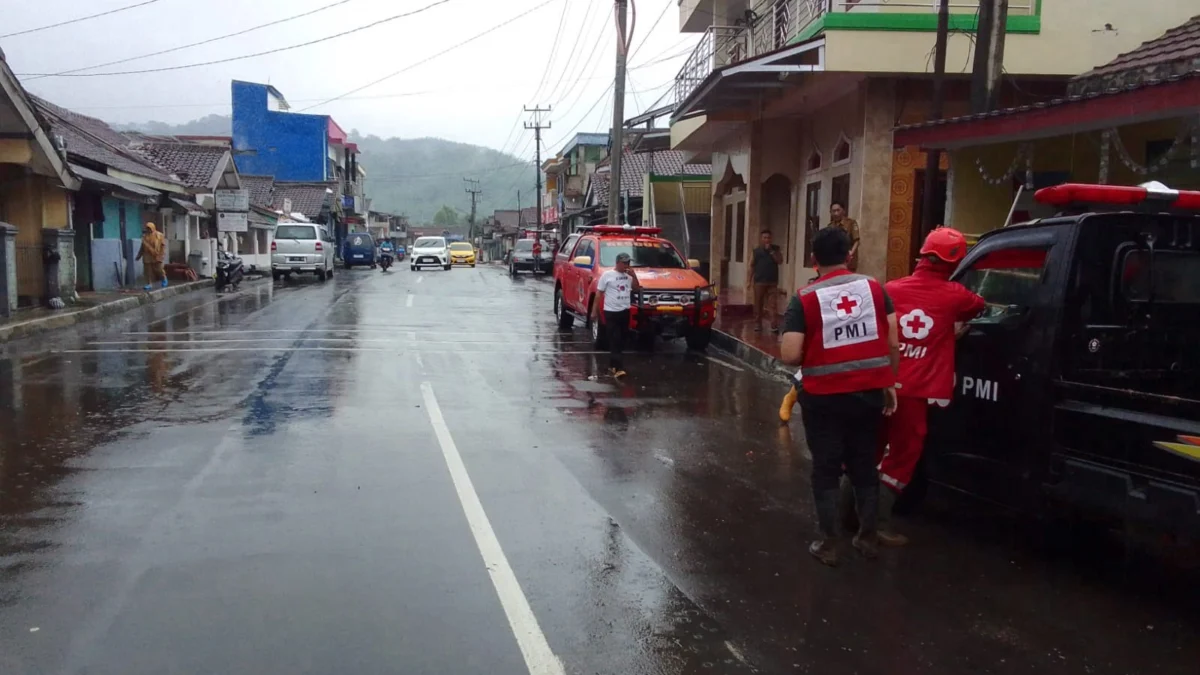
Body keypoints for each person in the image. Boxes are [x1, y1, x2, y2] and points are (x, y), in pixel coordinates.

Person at [780, 226, 899, 566]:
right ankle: (867, 537)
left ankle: (830, 543)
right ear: (849, 256)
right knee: (864, 464)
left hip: (824, 399)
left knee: (827, 468)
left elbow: (790, 354)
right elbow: (892, 340)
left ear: (814, 259)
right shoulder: (875, 288)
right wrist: (889, 380)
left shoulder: (804, 298)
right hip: (869, 393)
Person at [871, 227, 985, 546]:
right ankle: (878, 523)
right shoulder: (955, 295)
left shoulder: (890, 288)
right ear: (954, 262)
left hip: (880, 383)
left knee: (871, 448)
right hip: (912, 392)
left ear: (922, 255)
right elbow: (979, 306)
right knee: (905, 453)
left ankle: (848, 516)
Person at [594, 252, 641, 378]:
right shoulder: (608, 275)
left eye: (628, 263)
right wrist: (594, 311)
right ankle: (619, 368)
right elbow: (599, 293)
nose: (626, 265)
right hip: (611, 311)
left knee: (622, 339)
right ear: (618, 263)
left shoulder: (629, 276)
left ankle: (612, 366)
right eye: (624, 263)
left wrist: (634, 275)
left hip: (624, 311)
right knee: (615, 339)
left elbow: (636, 288)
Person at [751, 230, 783, 333]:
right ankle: (757, 324)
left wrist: (772, 252)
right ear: (761, 239)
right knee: (758, 303)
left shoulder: (776, 249)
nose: (766, 240)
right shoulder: (756, 251)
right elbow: (751, 266)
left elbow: (780, 261)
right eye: (764, 238)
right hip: (759, 281)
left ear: (771, 238)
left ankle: (774, 325)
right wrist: (749, 280)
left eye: (768, 238)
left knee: (773, 304)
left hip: (772, 281)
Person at [828, 201, 861, 271]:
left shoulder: (851, 223)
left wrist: (851, 253)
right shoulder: (830, 226)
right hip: (834, 261)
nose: (836, 213)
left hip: (848, 260)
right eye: (833, 211)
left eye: (838, 210)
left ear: (843, 211)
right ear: (830, 212)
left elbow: (857, 241)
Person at [136, 222, 167, 291]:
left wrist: (161, 254)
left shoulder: (159, 235)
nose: (148, 230)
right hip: (147, 256)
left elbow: (163, 246)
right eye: (147, 228)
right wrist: (139, 255)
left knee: (159, 269)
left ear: (153, 228)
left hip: (156, 255)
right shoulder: (145, 237)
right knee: (147, 271)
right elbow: (142, 247)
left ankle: (164, 279)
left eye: (149, 228)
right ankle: (149, 283)